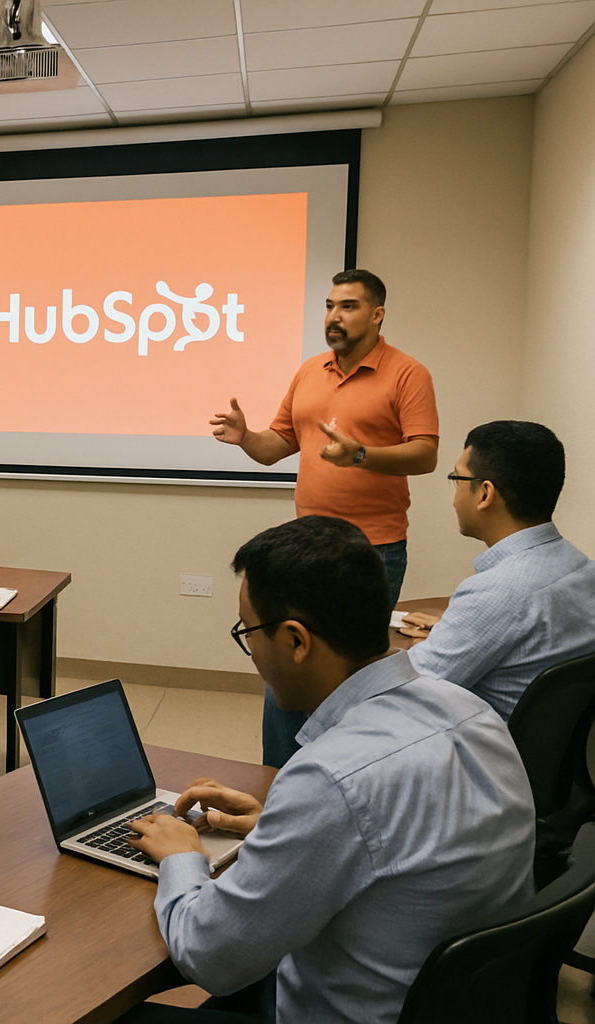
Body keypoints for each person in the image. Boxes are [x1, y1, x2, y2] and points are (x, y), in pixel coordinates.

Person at [119, 516, 534, 1024]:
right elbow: (396, 837)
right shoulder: (472, 711)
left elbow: (209, 957)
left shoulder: (332, 778)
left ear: (296, 641)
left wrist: (182, 856)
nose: (250, 650)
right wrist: (281, 822)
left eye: (248, 632)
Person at [209, 269, 439, 767]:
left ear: (377, 315)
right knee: (286, 671)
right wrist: (247, 437)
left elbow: (425, 455)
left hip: (372, 551)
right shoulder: (310, 371)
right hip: (305, 549)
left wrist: (362, 456)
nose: (334, 316)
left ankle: (344, 776)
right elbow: (277, 446)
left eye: (348, 306)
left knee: (350, 679)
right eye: (330, 305)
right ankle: (278, 784)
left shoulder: (407, 373)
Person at [403, 421, 595, 720]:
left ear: (484, 494)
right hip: (555, 761)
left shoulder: (494, 593)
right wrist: (451, 634)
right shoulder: (583, 569)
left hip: (483, 757)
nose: (455, 498)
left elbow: (403, 693)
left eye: (458, 479)